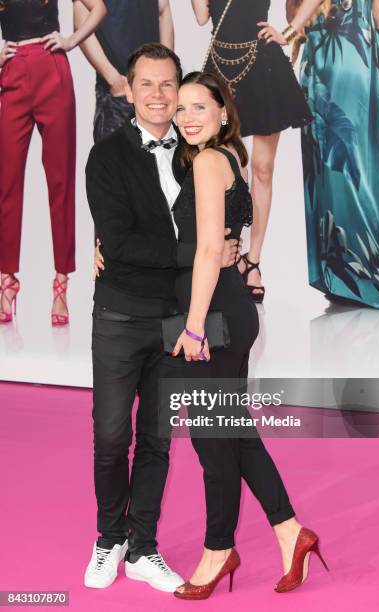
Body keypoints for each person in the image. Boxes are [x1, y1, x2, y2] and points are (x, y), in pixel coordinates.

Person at [85, 43, 241, 591]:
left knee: (156, 439)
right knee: (110, 436)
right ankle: (110, 537)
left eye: (167, 85)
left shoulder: (195, 152)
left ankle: (143, 547)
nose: (157, 95)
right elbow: (122, 244)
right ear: (128, 90)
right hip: (122, 316)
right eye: (146, 84)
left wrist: (233, 243)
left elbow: (228, 208)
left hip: (177, 318)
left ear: (180, 91)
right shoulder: (107, 156)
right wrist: (198, 253)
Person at [169, 71, 326, 600]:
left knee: (213, 440)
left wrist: (193, 326)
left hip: (212, 316)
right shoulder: (225, 158)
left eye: (199, 107)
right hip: (226, 309)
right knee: (232, 431)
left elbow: (210, 251)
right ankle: (289, 532)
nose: (187, 116)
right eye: (181, 108)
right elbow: (220, 244)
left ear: (221, 111)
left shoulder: (210, 162)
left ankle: (218, 551)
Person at [284, 0, 379, 309]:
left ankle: (368, 274)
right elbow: (295, 14)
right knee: (333, 170)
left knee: (353, 169)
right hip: (325, 72)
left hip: (349, 73)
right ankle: (344, 275)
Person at [191, 0, 312, 303]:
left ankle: (253, 261)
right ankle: (227, 255)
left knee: (262, 167)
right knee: (225, 170)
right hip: (221, 64)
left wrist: (290, 31)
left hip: (261, 64)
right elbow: (202, 17)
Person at [0, 0, 106, 324]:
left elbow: (98, 8)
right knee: (6, 182)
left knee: (61, 181)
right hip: (13, 72)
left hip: (52, 69)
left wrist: (72, 40)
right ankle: (7, 279)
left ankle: (61, 283)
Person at [74, 0, 175, 143]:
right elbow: (81, 21)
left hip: (153, 89)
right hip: (118, 94)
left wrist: (166, 73)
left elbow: (163, 11)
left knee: (158, 160)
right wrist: (113, 79)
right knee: (114, 160)